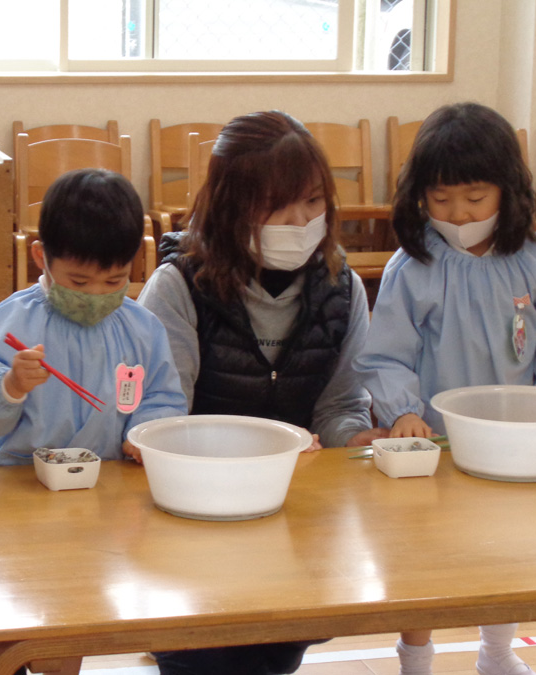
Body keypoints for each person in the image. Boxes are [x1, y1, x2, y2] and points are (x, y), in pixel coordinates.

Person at [137, 110, 387, 675]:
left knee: (275, 652)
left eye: (313, 201)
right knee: (207, 655)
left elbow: (341, 406)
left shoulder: (343, 287)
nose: (300, 221)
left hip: (292, 513)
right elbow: (161, 419)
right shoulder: (177, 286)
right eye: (276, 205)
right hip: (197, 511)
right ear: (232, 206)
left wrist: (360, 439)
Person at [354, 102, 536, 675]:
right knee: (421, 557)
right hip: (435, 444)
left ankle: (496, 654)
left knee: (507, 551)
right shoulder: (414, 267)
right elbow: (386, 355)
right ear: (419, 196)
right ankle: (415, 659)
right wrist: (403, 411)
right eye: (441, 199)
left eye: (475, 198)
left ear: (508, 190)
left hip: (511, 442)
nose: (458, 214)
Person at [0, 168, 187, 467]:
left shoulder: (142, 328)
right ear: (40, 257)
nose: (96, 293)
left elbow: (162, 397)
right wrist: (10, 386)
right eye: (79, 282)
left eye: (114, 281)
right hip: (19, 478)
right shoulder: (13, 321)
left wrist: (143, 434)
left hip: (106, 478)